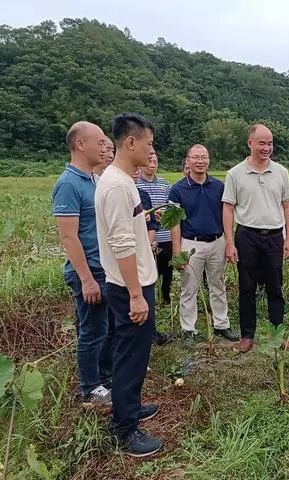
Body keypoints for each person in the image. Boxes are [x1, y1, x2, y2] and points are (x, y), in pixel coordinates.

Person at [95, 112, 161, 457]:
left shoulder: (120, 179)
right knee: (130, 357)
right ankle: (125, 431)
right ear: (131, 142)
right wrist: (136, 295)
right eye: (148, 143)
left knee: (131, 354)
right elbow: (121, 244)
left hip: (129, 282)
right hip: (128, 286)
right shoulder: (118, 185)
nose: (151, 150)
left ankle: (129, 408)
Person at [52, 121, 112, 406]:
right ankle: (90, 388)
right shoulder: (68, 184)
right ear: (80, 144)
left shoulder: (92, 179)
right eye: (99, 142)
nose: (104, 147)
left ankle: (106, 378)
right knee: (91, 331)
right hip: (88, 271)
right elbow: (69, 237)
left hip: (103, 267)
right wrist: (87, 279)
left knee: (106, 327)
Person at [222, 124, 289, 353]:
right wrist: (230, 243)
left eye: (270, 143)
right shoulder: (235, 173)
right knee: (247, 288)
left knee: (275, 287)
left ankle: (278, 333)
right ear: (250, 143)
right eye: (262, 143)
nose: (266, 148)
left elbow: (288, 206)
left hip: (274, 236)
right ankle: (247, 335)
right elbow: (228, 209)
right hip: (247, 236)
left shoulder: (281, 172)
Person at [169, 144, 239, 342]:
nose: (200, 161)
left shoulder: (219, 187)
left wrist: (229, 242)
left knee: (218, 284)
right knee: (189, 287)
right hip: (191, 244)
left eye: (204, 157)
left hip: (217, 241)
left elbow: (227, 215)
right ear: (188, 161)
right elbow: (174, 223)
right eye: (196, 157)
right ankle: (188, 329)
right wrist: (177, 252)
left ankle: (221, 324)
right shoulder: (177, 190)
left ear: (209, 160)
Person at [136, 151, 174, 307]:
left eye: (155, 162)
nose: (152, 165)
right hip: (147, 237)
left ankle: (165, 298)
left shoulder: (165, 184)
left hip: (166, 236)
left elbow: (172, 207)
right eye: (149, 161)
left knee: (168, 271)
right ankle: (150, 300)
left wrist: (164, 214)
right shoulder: (136, 185)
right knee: (150, 271)